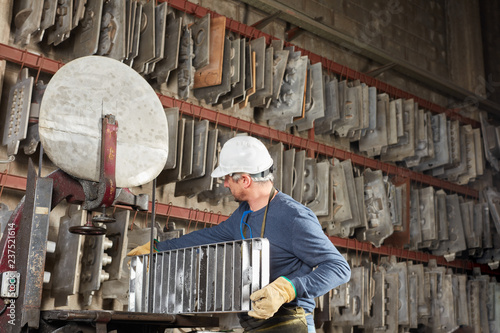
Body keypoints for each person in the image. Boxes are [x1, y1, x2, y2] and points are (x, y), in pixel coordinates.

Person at [128, 136, 351, 332]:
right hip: (255, 325)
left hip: (291, 324)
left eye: (228, 178)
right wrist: (159, 248)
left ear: (245, 179)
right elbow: (210, 237)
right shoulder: (244, 214)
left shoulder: (294, 217)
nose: (224, 184)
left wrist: (289, 289)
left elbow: (339, 268)